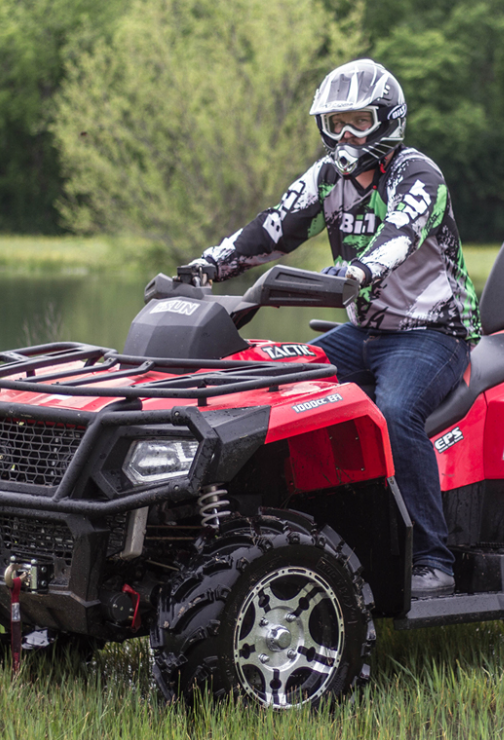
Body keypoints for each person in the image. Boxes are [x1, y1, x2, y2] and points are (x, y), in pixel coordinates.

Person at [185, 59, 481, 598]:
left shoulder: (419, 175)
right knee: (270, 383)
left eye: (358, 121)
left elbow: (400, 235)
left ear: (387, 120)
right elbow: (273, 229)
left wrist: (360, 269)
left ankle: (433, 561)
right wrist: (205, 267)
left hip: (433, 332)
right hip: (364, 331)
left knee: (395, 412)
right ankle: (269, 531)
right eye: (335, 121)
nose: (345, 135)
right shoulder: (329, 177)